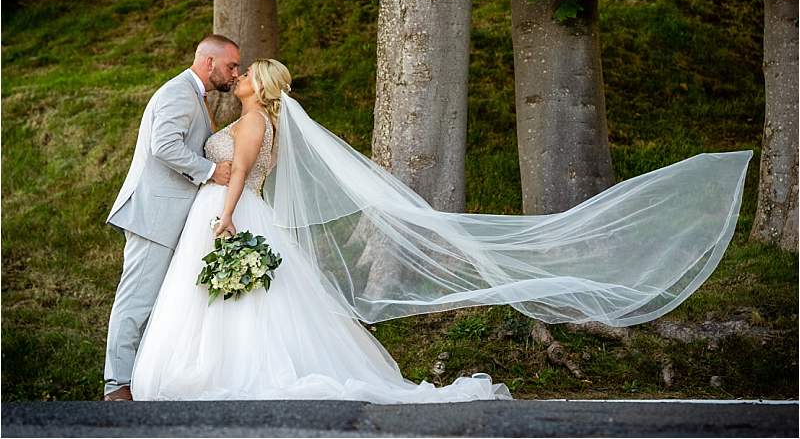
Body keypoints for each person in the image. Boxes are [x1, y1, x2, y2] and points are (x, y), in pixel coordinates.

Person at [127, 58, 752, 403]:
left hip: (230, 209)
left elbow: (236, 171)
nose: (232, 80)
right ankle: (209, 371)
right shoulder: (260, 121)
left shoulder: (255, 124)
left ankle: (222, 375)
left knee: (243, 302)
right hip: (226, 208)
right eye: (231, 73)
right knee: (237, 301)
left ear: (256, 86)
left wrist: (229, 211)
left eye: (240, 76)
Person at [103, 34, 240, 401]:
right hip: (154, 215)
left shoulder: (194, 95)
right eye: (231, 65)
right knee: (135, 302)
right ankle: (116, 387)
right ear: (208, 62)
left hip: (169, 217)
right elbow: (164, 146)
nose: (235, 73)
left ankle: (139, 381)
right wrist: (212, 171)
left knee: (154, 305)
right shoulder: (178, 92)